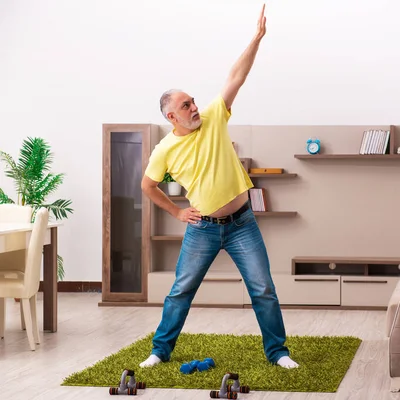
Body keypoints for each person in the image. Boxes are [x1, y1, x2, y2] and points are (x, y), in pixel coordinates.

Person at [138, 4, 298, 370]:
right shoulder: (164, 150)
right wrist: (177, 211)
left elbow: (236, 77)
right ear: (171, 116)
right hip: (203, 229)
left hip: (243, 224)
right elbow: (147, 185)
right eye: (185, 105)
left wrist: (256, 38)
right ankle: (159, 351)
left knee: (264, 290)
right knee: (181, 291)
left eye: (193, 101)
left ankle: (279, 353)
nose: (194, 107)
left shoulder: (212, 117)